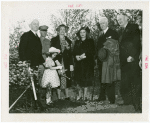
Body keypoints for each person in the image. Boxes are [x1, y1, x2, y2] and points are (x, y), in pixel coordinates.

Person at [117, 14, 142, 112]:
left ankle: (137, 105)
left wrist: (132, 56)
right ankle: (128, 101)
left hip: (132, 60)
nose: (119, 21)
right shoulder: (120, 31)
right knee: (125, 82)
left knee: (135, 82)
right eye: (118, 20)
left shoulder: (133, 27)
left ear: (126, 18)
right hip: (124, 61)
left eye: (121, 19)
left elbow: (136, 42)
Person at [19, 19, 45, 110]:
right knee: (29, 84)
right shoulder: (26, 35)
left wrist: (43, 62)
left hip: (37, 65)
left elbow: (38, 53)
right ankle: (29, 103)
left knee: (36, 84)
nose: (36, 25)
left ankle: (36, 102)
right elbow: (21, 49)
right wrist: (24, 61)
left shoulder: (37, 37)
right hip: (29, 64)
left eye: (37, 24)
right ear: (30, 25)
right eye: (34, 24)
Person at [96, 17, 119, 104]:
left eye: (103, 23)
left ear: (107, 23)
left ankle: (111, 98)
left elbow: (115, 46)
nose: (102, 25)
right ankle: (102, 96)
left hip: (109, 60)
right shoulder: (100, 35)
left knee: (110, 79)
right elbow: (98, 48)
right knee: (101, 78)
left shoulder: (113, 33)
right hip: (101, 60)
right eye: (100, 24)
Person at [50, 24, 74, 100]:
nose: (62, 31)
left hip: (66, 62)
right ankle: (59, 97)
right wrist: (56, 61)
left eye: (64, 29)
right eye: (61, 29)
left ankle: (67, 96)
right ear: (58, 31)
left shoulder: (68, 41)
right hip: (57, 61)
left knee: (66, 77)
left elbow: (70, 54)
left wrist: (71, 64)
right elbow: (51, 52)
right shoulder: (54, 40)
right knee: (58, 77)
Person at [73, 26, 95, 101]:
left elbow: (92, 52)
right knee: (78, 79)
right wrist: (76, 56)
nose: (82, 34)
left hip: (87, 64)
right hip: (79, 64)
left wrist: (83, 56)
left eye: (84, 32)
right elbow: (74, 52)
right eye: (81, 32)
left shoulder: (90, 41)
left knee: (86, 80)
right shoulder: (77, 42)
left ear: (86, 33)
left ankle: (85, 96)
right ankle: (79, 95)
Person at [38, 25, 51, 108]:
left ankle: (48, 100)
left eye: (45, 31)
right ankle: (40, 101)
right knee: (41, 82)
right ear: (40, 32)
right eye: (43, 31)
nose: (44, 33)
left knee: (48, 81)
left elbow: (49, 51)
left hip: (47, 62)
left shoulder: (48, 41)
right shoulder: (36, 40)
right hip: (40, 63)